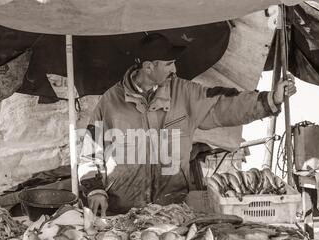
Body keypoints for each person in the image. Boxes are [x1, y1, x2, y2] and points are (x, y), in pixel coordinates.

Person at [78, 33, 296, 216]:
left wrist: (270, 100)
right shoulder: (110, 102)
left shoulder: (184, 93)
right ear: (148, 67)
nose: (174, 69)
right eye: (168, 64)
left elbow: (225, 105)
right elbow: (90, 153)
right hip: (121, 210)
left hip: (173, 210)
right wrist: (95, 190)